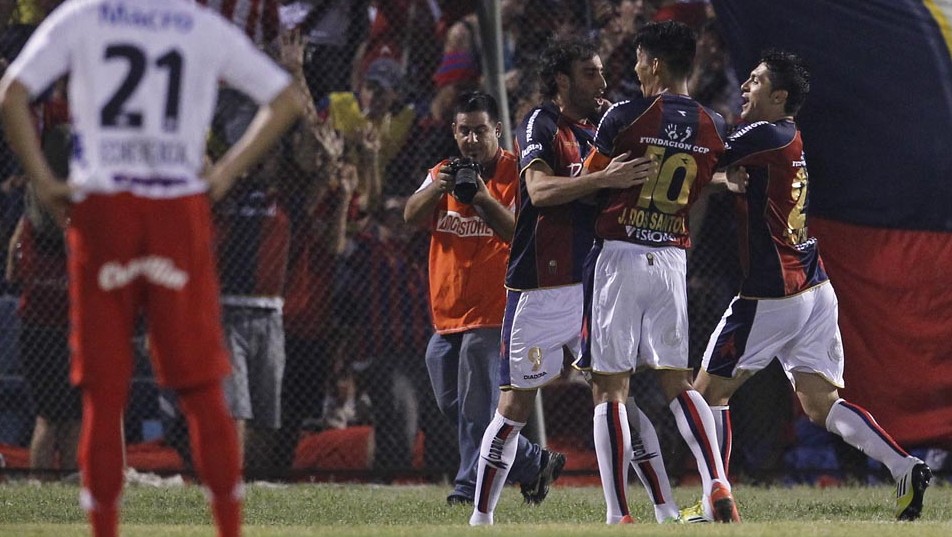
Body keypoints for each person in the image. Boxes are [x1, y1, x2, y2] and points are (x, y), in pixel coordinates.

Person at [0, 2, 303, 537]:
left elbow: (13, 91)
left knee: (104, 390)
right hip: (175, 207)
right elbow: (282, 99)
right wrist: (228, 172)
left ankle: (104, 527)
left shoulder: (84, 15)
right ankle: (229, 527)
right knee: (203, 388)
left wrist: (45, 182)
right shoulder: (198, 23)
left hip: (104, 206)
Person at [691, 50, 931, 521]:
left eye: (756, 81)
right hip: (813, 286)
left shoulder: (763, 134)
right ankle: (904, 466)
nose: (745, 87)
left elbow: (701, 147)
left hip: (772, 294)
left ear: (779, 96)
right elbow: (731, 171)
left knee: (703, 398)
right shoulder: (789, 137)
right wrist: (727, 179)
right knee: (822, 405)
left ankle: (712, 503)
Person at [467, 37, 656, 526]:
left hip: (595, 283)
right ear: (562, 81)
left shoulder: (605, 126)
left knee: (617, 398)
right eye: (590, 73)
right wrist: (603, 180)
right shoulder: (541, 123)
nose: (602, 81)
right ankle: (480, 520)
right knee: (513, 409)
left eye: (601, 71)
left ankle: (652, 511)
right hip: (540, 289)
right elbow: (539, 191)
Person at [576, 20, 738, 524]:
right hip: (671, 256)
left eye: (641, 60)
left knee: (610, 387)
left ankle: (618, 513)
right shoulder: (713, 124)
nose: (636, 68)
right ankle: (716, 481)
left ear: (658, 65)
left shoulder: (625, 116)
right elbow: (705, 181)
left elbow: (588, 182)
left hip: (620, 252)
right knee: (678, 381)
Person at [404, 91, 555, 506]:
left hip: (494, 311)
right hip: (446, 315)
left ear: (498, 131)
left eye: (480, 131)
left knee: (475, 410)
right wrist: (440, 188)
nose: (472, 140)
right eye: (464, 131)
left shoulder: (516, 171)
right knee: (451, 404)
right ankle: (531, 461)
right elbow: (410, 216)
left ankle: (468, 489)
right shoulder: (443, 173)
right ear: (454, 131)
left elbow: (518, 235)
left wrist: (483, 197)